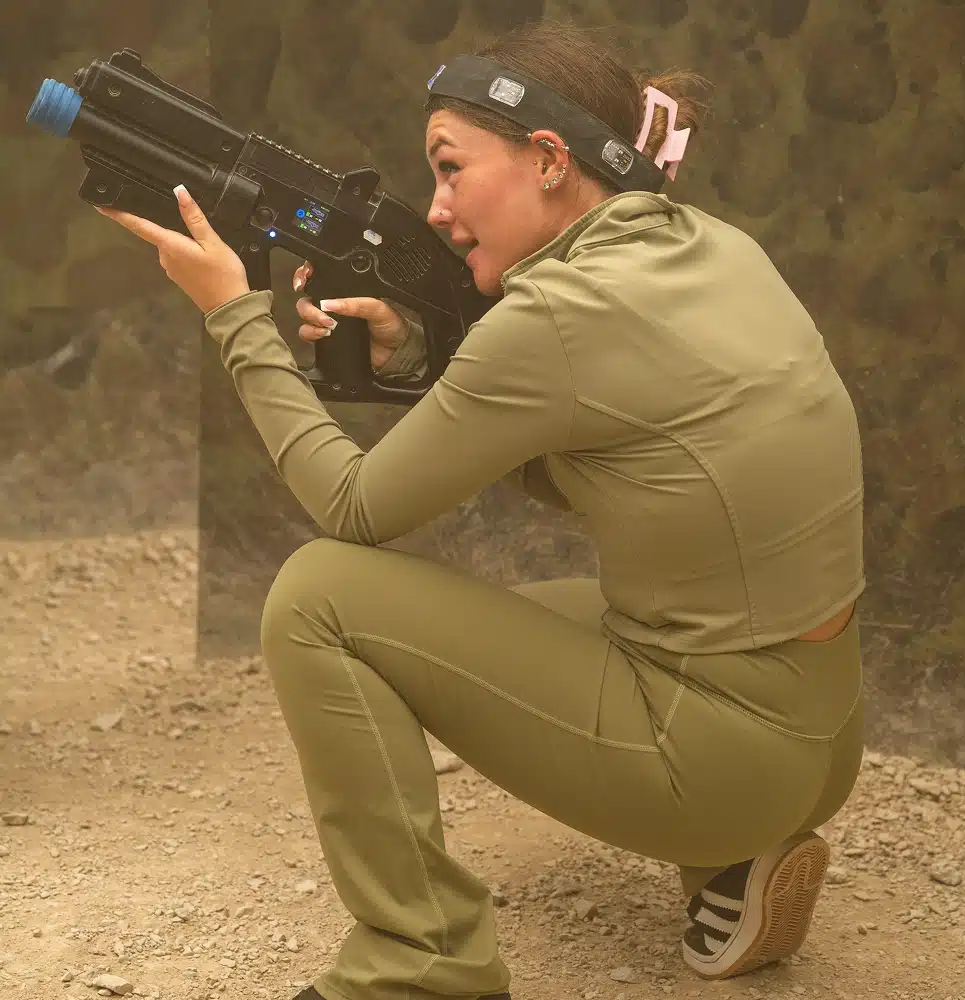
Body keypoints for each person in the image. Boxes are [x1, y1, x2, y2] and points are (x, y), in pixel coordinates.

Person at [96, 19, 866, 1000]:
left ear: (547, 160)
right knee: (632, 593)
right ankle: (739, 854)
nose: (439, 208)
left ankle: (421, 962)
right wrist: (426, 367)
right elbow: (601, 452)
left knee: (320, 598)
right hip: (819, 726)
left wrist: (232, 314)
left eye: (452, 168)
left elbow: (352, 506)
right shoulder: (708, 249)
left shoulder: (552, 318)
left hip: (717, 759)